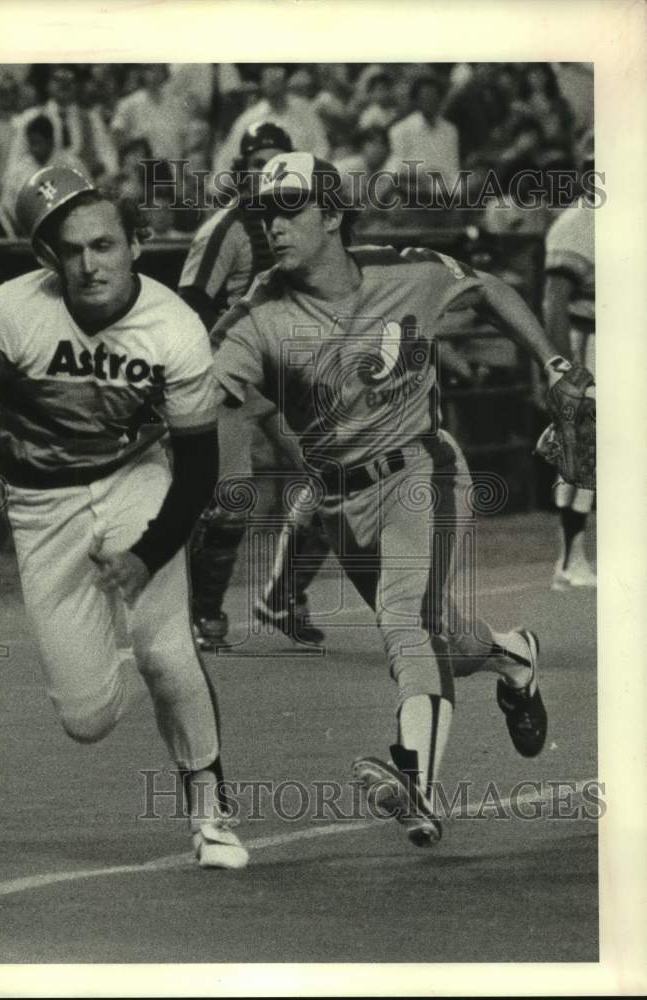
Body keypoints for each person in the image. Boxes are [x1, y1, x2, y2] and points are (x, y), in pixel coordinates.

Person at [211, 152, 569, 847]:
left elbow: (489, 287)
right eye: (263, 211)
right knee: (444, 639)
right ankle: (513, 659)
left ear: (334, 215)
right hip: (341, 504)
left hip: (422, 473)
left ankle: (416, 780)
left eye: (290, 207)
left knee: (406, 624)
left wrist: (551, 362)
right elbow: (203, 395)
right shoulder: (258, 314)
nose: (272, 224)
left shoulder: (406, 270)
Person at [0, 165, 248, 870]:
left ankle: (209, 803)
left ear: (135, 241)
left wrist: (149, 553)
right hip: (42, 503)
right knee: (87, 720)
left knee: (167, 650)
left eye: (103, 244)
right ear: (49, 256)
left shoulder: (174, 329)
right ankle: (142, 668)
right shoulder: (10, 312)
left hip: (136, 476)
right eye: (69, 249)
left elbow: (198, 469)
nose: (88, 263)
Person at [179, 122, 328, 650]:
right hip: (230, 372)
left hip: (281, 373)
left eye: (277, 160)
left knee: (333, 476)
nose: (265, 171)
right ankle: (202, 613)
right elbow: (192, 304)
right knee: (232, 498)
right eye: (256, 162)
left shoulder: (301, 225)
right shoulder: (227, 228)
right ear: (241, 169)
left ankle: (284, 592)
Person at [542, 129, 597, 590]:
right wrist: (562, 368)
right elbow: (554, 301)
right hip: (588, 342)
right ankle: (569, 558)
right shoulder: (579, 221)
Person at [5, 65, 117, 181]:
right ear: (48, 84)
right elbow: (16, 160)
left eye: (70, 80)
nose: (64, 85)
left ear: (77, 85)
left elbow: (108, 156)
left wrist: (106, 178)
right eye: (58, 80)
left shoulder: (91, 119)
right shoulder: (31, 117)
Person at [213, 65, 329, 175]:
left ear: (285, 82)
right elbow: (227, 158)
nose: (275, 85)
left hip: (306, 180)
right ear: (262, 84)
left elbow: (321, 146)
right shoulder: (250, 118)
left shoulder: (304, 110)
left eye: (278, 81)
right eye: (270, 81)